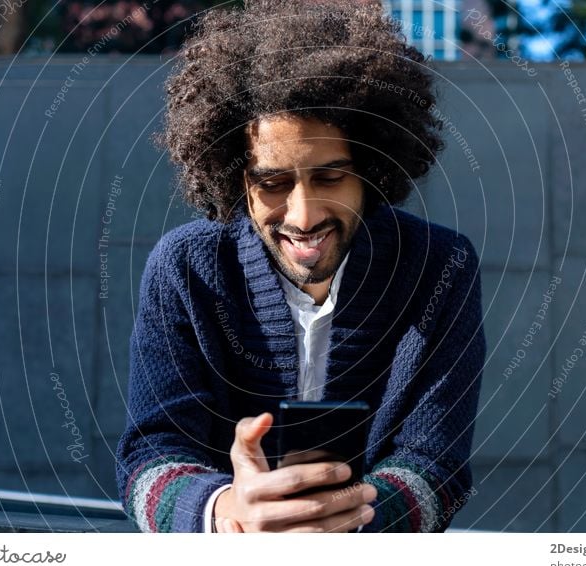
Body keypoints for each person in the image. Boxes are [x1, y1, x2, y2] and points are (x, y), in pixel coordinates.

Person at [115, 0, 486, 533]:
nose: (303, 215)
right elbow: (149, 456)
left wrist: (345, 521)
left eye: (331, 178)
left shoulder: (441, 267)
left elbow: (438, 463)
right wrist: (227, 513)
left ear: (371, 170)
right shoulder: (185, 268)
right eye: (272, 183)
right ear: (233, 176)